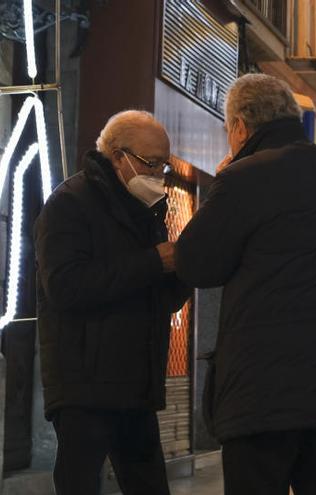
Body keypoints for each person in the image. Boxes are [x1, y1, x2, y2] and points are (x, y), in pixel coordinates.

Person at [175, 74, 316, 495]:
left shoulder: (242, 178)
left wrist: (219, 189)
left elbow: (195, 263)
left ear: (239, 127)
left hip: (261, 396)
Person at [35, 110, 190, 495]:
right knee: (80, 482)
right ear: (117, 156)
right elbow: (66, 286)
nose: (157, 174)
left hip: (135, 383)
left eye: (163, 166)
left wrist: (186, 268)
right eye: (150, 163)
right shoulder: (69, 203)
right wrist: (155, 261)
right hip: (83, 383)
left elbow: (162, 297)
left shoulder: (147, 210)